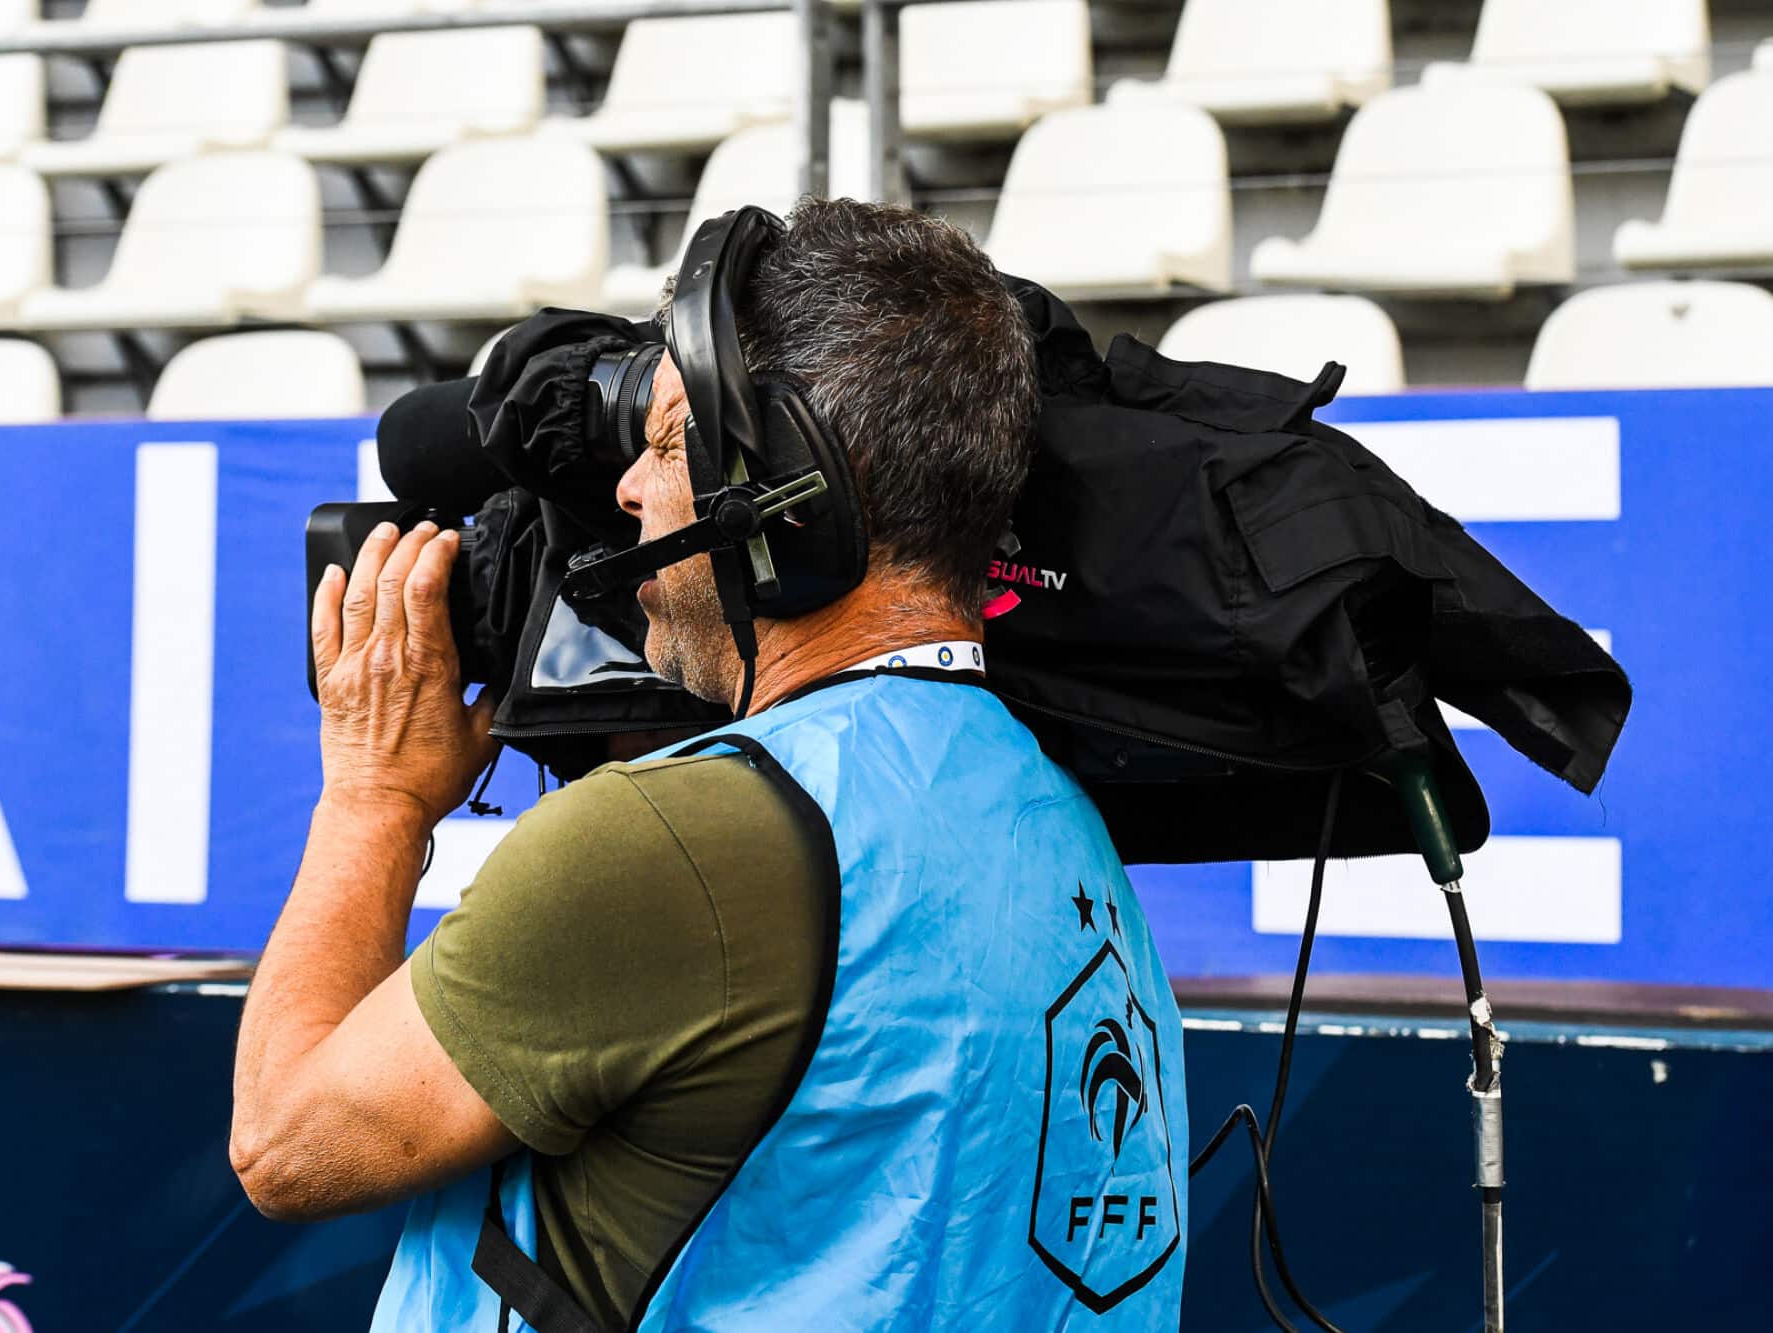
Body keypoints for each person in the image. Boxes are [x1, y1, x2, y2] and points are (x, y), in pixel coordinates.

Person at [230, 198, 1189, 1331]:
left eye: (668, 442)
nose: (630, 491)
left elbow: (288, 1144)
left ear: (791, 487)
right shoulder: (1050, 807)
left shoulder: (681, 845)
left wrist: (373, 793)